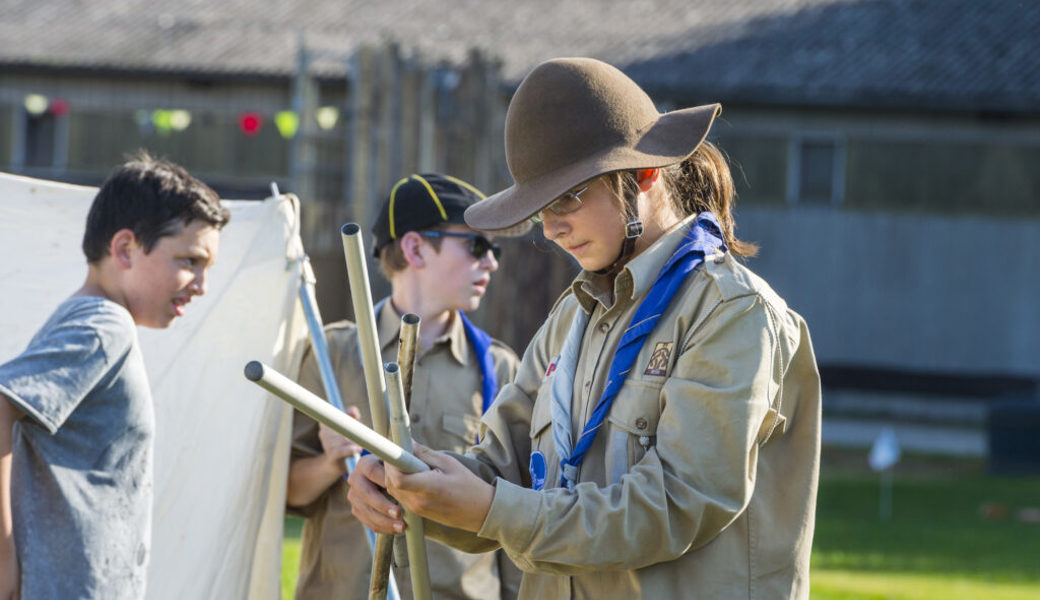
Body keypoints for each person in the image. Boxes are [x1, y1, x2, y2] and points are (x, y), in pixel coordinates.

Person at [348, 57, 822, 599]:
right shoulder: (572, 318)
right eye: (540, 207)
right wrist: (409, 480)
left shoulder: (732, 313)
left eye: (568, 196)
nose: (550, 228)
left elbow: (678, 503)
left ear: (644, 173)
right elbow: (503, 467)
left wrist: (492, 508)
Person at [0, 153, 229, 599]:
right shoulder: (105, 326)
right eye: (189, 260)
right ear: (125, 248)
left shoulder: (90, 320)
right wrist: (2, 555)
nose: (201, 284)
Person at [286, 173, 523, 600]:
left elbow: (518, 516)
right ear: (414, 248)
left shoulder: (503, 370)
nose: (491, 262)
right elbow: (284, 492)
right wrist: (329, 460)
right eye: (477, 246)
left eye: (495, 248)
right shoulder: (330, 353)